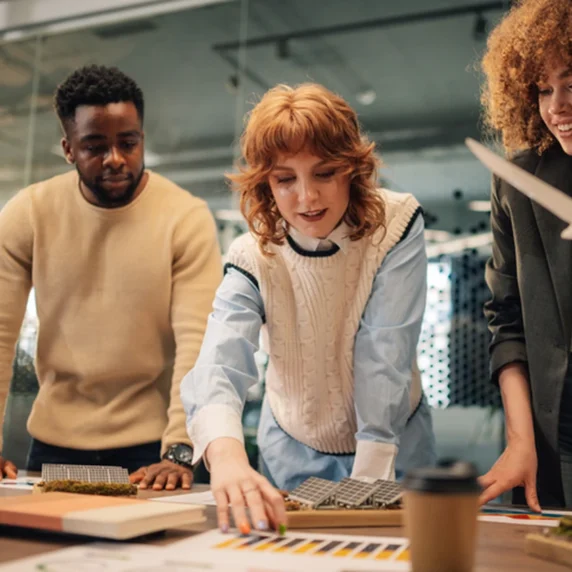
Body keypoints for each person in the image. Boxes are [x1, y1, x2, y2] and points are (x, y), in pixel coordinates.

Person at [181, 83, 436, 533]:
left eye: (324, 173)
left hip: (395, 441)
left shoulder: (396, 224)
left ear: (352, 170)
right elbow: (219, 362)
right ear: (265, 183)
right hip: (292, 447)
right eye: (285, 179)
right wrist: (225, 458)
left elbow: (386, 348)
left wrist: (373, 470)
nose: (307, 198)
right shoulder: (250, 255)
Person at [0, 65, 222, 490]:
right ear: (68, 149)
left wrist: (179, 447)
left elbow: (198, 343)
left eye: (129, 142)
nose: (116, 159)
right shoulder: (29, 212)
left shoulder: (185, 217)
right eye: (95, 146)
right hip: (53, 444)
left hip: (153, 451)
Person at [479, 0, 572, 509]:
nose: (556, 106)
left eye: (571, 83)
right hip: (553, 448)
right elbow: (506, 317)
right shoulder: (517, 182)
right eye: (542, 89)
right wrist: (521, 441)